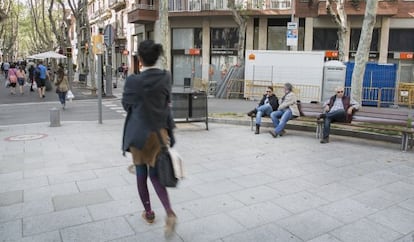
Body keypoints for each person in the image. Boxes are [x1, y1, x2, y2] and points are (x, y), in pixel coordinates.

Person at [121, 40, 177, 237]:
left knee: (141, 175)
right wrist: (171, 132)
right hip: (159, 134)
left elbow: (126, 105)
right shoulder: (165, 77)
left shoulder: (132, 81)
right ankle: (169, 212)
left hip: (138, 135)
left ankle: (149, 212)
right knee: (155, 175)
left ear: (140, 60)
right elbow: (167, 105)